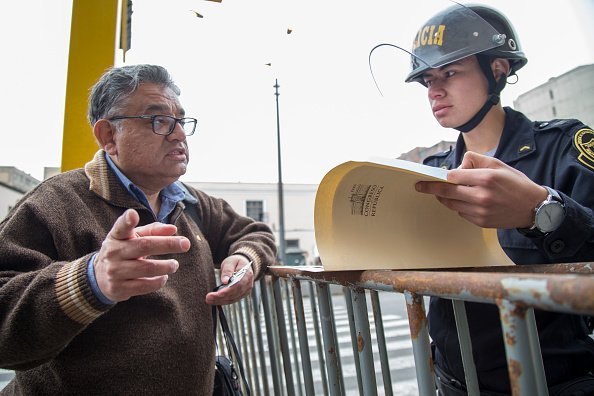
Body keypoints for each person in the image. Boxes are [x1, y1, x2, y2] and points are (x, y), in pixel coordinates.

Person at [0, 64, 276, 394]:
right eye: (158, 120)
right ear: (108, 136)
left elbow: (254, 232)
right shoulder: (54, 204)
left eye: (181, 121)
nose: (178, 134)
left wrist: (246, 262)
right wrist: (90, 280)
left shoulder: (190, 203)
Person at [400, 3, 594, 395]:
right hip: (455, 383)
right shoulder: (429, 172)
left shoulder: (564, 147)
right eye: (427, 81)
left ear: (498, 70)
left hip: (555, 382)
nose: (434, 90)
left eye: (450, 73)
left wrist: (541, 211)